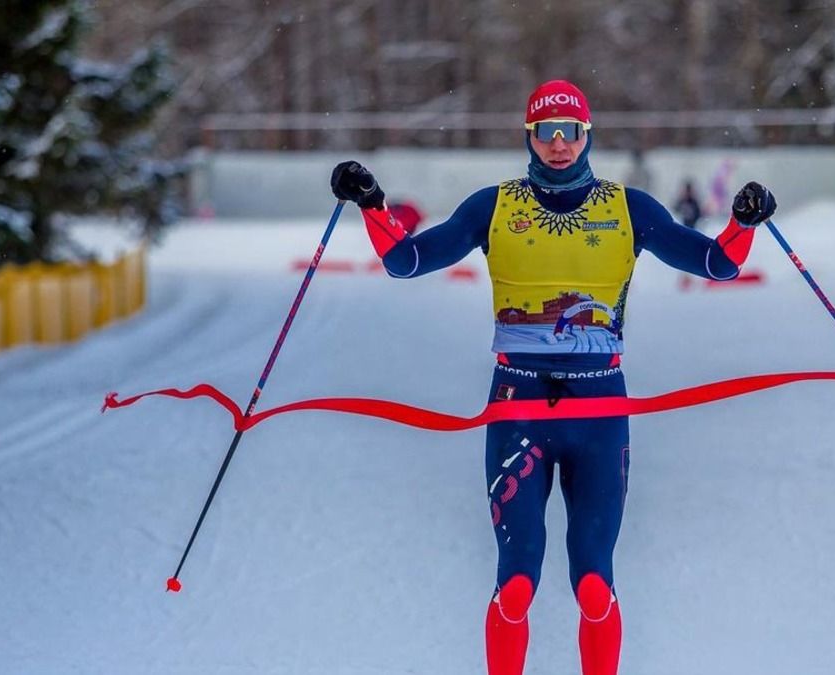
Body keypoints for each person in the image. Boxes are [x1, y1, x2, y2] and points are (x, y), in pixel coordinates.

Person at [329, 80, 776, 675]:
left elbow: (716, 264)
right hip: (516, 407)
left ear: (587, 136)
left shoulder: (629, 208)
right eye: (547, 132)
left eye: (570, 132)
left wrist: (743, 220)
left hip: (599, 411)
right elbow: (405, 261)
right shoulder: (494, 206)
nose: (559, 144)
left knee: (593, 581)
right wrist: (372, 203)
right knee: (516, 583)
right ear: (530, 137)